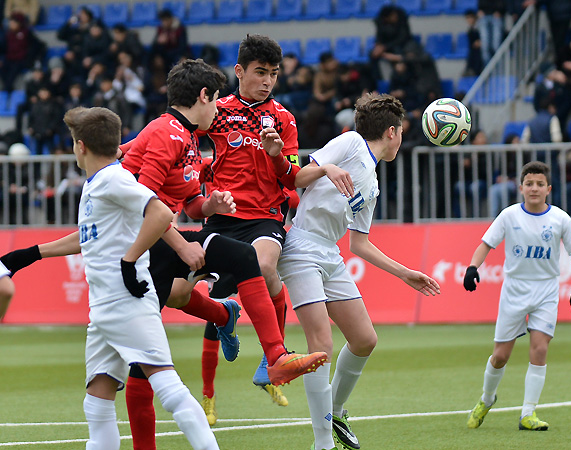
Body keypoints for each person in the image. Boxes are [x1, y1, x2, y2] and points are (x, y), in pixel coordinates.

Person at [2, 58, 327, 450]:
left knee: (241, 260)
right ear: (204, 96)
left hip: (129, 275)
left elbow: (185, 204)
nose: (219, 108)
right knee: (152, 377)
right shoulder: (163, 137)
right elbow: (152, 207)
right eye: (216, 99)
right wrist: (173, 247)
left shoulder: (179, 139)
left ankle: (270, 352)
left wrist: (210, 206)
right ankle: (237, 328)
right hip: (139, 266)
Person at [277, 93, 441, 450]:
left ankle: (335, 411)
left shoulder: (373, 183)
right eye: (402, 131)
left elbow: (359, 244)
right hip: (301, 248)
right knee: (321, 345)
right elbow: (298, 178)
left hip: (331, 254)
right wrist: (327, 168)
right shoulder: (351, 142)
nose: (401, 137)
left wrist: (405, 272)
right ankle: (322, 443)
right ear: (392, 132)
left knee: (365, 339)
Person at [59, 105, 219, 449]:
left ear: (81, 146)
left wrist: (129, 261)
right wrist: (30, 254)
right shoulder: (97, 182)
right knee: (97, 402)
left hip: (126, 301)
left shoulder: (113, 179)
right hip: (104, 307)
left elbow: (159, 212)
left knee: (169, 389)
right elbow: (89, 238)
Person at [192, 34, 304, 415]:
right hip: (221, 217)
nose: (267, 81)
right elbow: (176, 137)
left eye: (273, 73)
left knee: (265, 265)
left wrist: (277, 157)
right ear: (239, 71)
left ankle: (274, 358)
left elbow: (292, 178)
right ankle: (209, 392)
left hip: (264, 216)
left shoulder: (284, 119)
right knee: (201, 298)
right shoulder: (216, 111)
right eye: (260, 72)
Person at [463, 160, 571, 432]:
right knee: (500, 356)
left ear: (548, 189)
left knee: (540, 349)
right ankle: (487, 399)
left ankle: (528, 414)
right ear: (520, 188)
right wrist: (472, 268)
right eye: (529, 183)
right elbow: (486, 244)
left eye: (540, 184)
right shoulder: (509, 216)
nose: (534, 188)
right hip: (514, 290)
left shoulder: (560, 219)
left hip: (546, 291)